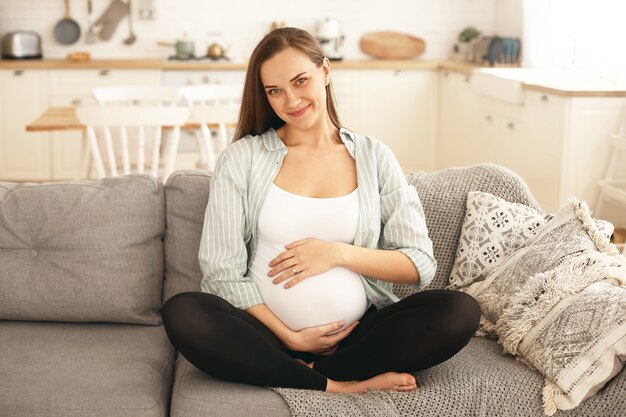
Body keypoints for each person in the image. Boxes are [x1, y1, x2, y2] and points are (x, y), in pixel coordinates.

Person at [161, 27, 480, 393]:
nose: (291, 100)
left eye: (300, 81)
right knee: (183, 311)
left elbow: (419, 263)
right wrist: (292, 337)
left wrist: (335, 253)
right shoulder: (242, 158)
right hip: (266, 336)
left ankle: (301, 372)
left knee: (460, 311)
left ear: (325, 72)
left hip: (357, 334)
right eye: (274, 91)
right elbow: (221, 273)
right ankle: (337, 384)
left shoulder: (374, 157)